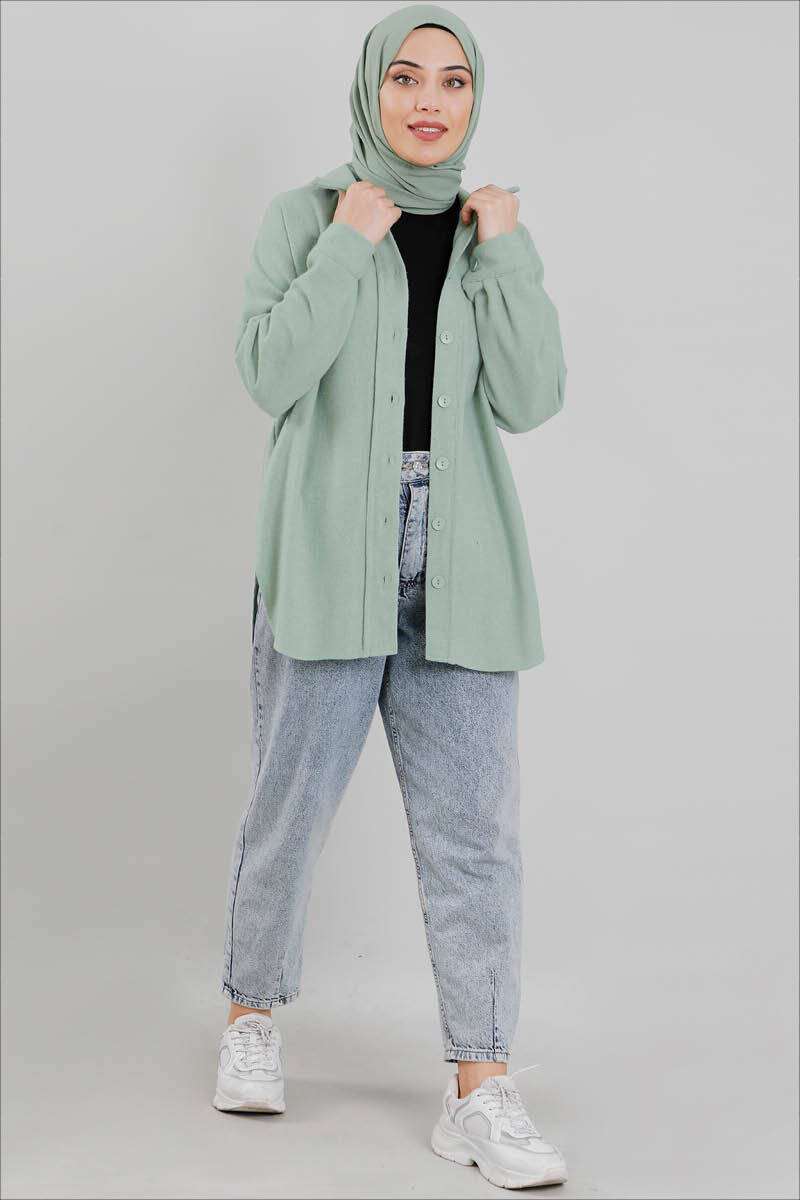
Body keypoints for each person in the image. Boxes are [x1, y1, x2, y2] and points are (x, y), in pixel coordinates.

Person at [213, 3, 568, 1189]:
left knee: (475, 836)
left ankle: (479, 1087)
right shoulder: (305, 216)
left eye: (452, 82)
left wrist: (506, 249)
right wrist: (344, 244)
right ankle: (250, 1015)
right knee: (290, 807)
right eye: (406, 77)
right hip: (326, 543)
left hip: (462, 558)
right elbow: (269, 371)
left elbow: (530, 397)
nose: (428, 101)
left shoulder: (486, 233)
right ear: (371, 90)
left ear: (473, 100)